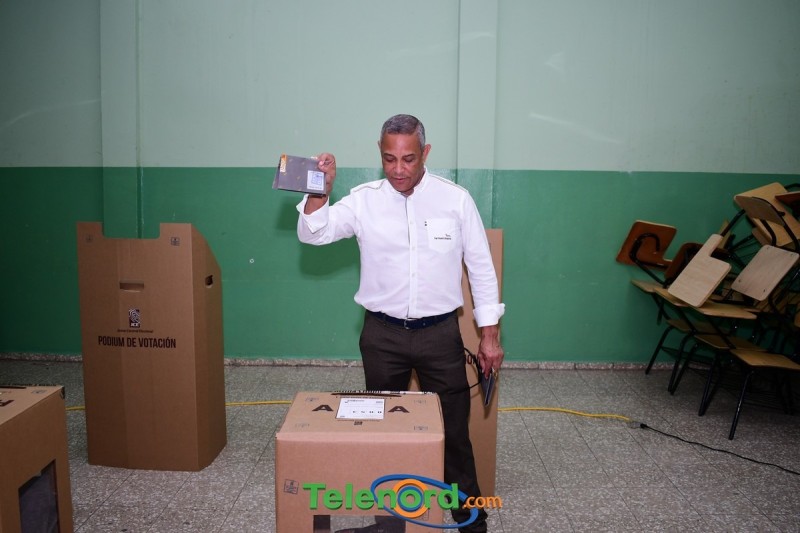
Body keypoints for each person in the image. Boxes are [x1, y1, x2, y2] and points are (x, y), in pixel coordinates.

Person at [296, 114, 505, 533]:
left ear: (425, 152)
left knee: (454, 433)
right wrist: (320, 191)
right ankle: (392, 523)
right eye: (389, 159)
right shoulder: (363, 200)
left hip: (440, 335)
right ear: (380, 152)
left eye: (408, 159)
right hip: (382, 336)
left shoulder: (455, 200)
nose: (398, 169)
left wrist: (489, 336)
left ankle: (471, 520)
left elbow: (481, 268)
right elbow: (313, 235)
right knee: (385, 432)